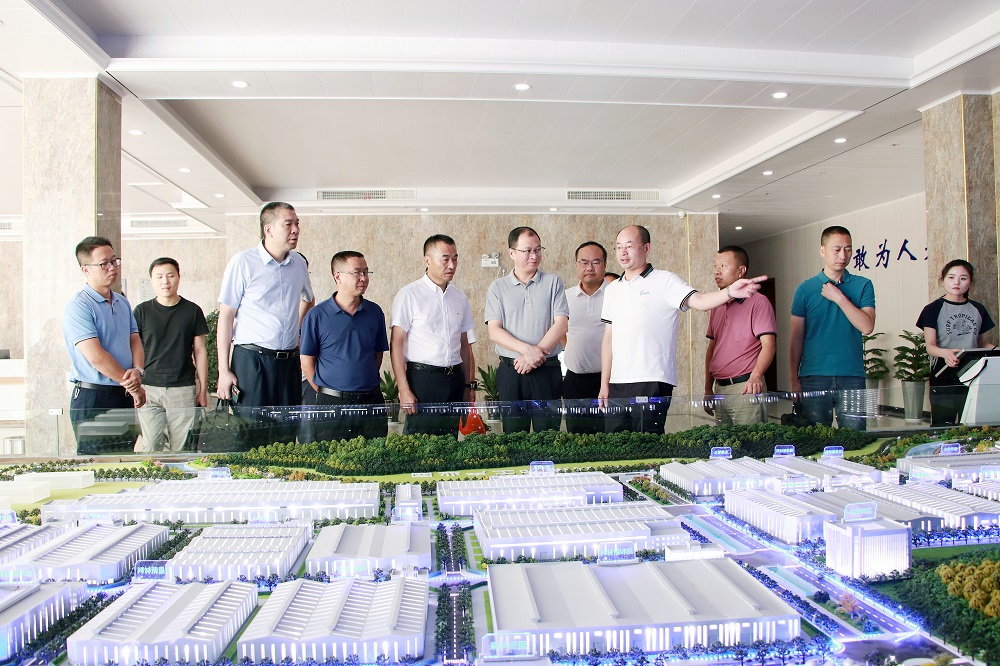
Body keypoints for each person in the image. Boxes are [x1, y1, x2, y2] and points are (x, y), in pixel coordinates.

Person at [599, 225, 765, 434]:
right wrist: (604, 383)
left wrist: (730, 292)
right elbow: (609, 338)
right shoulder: (612, 289)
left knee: (647, 444)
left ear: (646, 248)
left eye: (630, 246)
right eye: (619, 247)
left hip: (652, 379)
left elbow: (700, 300)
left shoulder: (665, 280)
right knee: (615, 445)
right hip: (617, 382)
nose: (623, 252)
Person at [217, 202, 314, 446]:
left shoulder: (298, 264)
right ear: (268, 229)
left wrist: (297, 331)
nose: (295, 229)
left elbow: (308, 299)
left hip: (288, 363)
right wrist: (223, 371)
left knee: (286, 434)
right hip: (252, 362)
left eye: (297, 224)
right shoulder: (243, 262)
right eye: (288, 224)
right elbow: (226, 316)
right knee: (251, 434)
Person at [62, 236, 145, 454]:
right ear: (86, 270)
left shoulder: (122, 302)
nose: (112, 267)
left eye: (114, 261)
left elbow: (134, 339)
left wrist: (138, 370)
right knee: (98, 464)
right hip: (94, 397)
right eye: (104, 264)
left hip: (122, 393)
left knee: (124, 459)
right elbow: (96, 357)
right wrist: (133, 386)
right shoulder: (79, 306)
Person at [790, 225, 876, 431]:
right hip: (814, 376)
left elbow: (867, 326)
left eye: (848, 249)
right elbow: (797, 338)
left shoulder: (863, 285)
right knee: (815, 439)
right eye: (836, 249)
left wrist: (839, 298)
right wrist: (793, 378)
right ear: (822, 251)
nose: (843, 255)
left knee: (855, 439)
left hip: (852, 375)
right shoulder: (805, 290)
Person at [390, 235, 477, 435]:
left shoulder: (459, 297)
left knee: (449, 441)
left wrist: (468, 386)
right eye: (445, 259)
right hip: (423, 380)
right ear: (427, 260)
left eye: (455, 259)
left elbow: (464, 345)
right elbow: (396, 344)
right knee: (419, 444)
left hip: (455, 380)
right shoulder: (409, 294)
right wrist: (403, 389)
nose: (452, 265)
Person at [485, 227, 568, 433]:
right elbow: (494, 331)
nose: (534, 255)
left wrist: (534, 355)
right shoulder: (498, 287)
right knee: (514, 434)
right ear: (512, 252)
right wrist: (527, 351)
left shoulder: (553, 282)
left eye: (538, 250)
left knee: (548, 434)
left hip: (547, 370)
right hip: (511, 371)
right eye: (528, 251)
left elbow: (561, 324)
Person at [301, 251, 389, 441]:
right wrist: (327, 393)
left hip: (371, 402)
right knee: (331, 456)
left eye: (366, 272)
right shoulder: (317, 316)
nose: (363, 278)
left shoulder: (375, 312)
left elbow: (377, 354)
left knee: (375, 454)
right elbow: (307, 362)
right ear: (338, 276)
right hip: (332, 404)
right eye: (357, 272)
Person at [133, 258, 209, 452]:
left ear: (178, 277)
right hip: (149, 388)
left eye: (170, 276)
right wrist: (135, 387)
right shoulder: (142, 311)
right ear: (151, 280)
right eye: (159, 277)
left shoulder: (192, 311)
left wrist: (202, 389)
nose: (165, 281)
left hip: (182, 387)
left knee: (181, 448)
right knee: (151, 445)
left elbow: (200, 351)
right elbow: (134, 348)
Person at [917, 259, 996, 426]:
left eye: (963, 278)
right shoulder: (932, 309)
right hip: (944, 372)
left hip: (973, 373)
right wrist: (945, 353)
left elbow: (983, 345)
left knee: (972, 422)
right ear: (943, 280)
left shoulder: (978, 309)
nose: (957, 282)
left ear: (970, 282)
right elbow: (930, 346)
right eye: (951, 277)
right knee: (943, 424)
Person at [703, 246, 776, 425]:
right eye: (715, 266)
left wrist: (756, 376)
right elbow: (712, 348)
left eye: (723, 266)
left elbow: (769, 345)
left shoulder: (758, 302)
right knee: (725, 441)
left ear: (741, 271)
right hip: (720, 389)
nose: (717, 271)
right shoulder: (717, 304)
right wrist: (708, 388)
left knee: (750, 441)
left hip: (745, 387)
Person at [562, 241, 608, 433]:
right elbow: (560, 331)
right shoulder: (565, 297)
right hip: (575, 380)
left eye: (596, 262)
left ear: (605, 265)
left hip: (609, 380)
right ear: (576, 265)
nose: (590, 268)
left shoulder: (616, 294)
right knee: (577, 436)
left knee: (609, 436)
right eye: (584, 262)